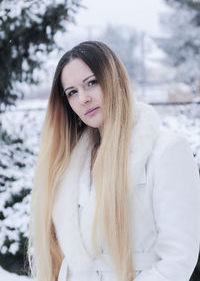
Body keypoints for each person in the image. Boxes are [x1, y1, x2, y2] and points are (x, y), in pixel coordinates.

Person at [29, 41, 200, 281]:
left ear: (114, 78)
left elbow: (179, 258)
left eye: (92, 83)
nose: (84, 99)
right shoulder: (68, 164)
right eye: (72, 92)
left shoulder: (167, 151)